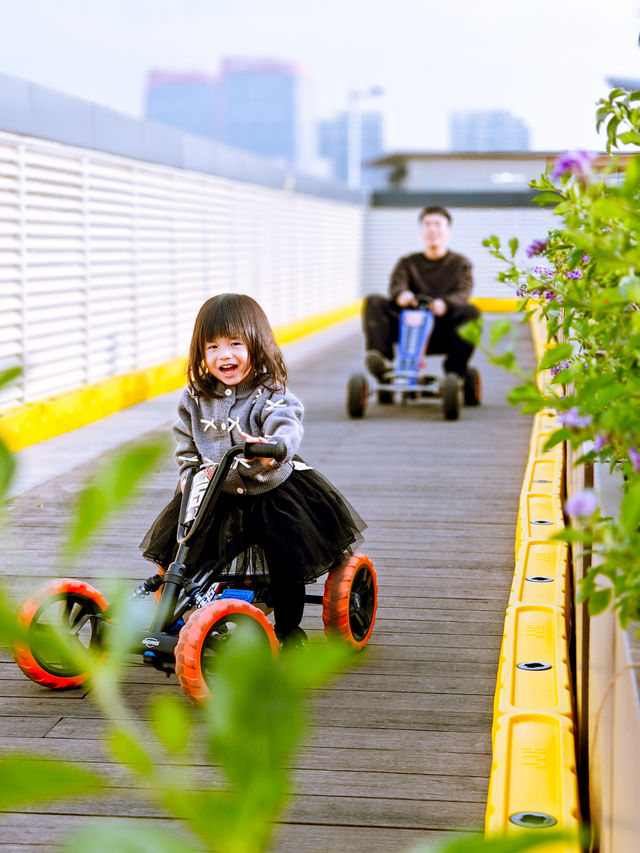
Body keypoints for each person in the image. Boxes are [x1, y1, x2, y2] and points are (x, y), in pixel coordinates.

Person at [140, 292, 365, 647]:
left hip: (271, 493)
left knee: (285, 558)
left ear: (257, 345)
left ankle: (288, 629)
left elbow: (287, 423)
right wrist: (187, 476)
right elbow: (186, 444)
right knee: (189, 554)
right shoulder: (195, 398)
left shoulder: (269, 392)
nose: (223, 355)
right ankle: (176, 617)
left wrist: (272, 447)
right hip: (214, 494)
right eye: (211, 347)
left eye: (234, 344)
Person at [362, 205, 480, 379]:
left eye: (438, 224)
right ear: (421, 230)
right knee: (373, 301)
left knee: (471, 312)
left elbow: (463, 292)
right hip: (407, 327)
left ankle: (454, 371)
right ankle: (382, 360)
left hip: (441, 329)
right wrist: (402, 295)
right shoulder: (408, 262)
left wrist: (445, 303)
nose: (432, 229)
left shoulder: (460, 263)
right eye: (427, 224)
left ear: (448, 231)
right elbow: (397, 284)